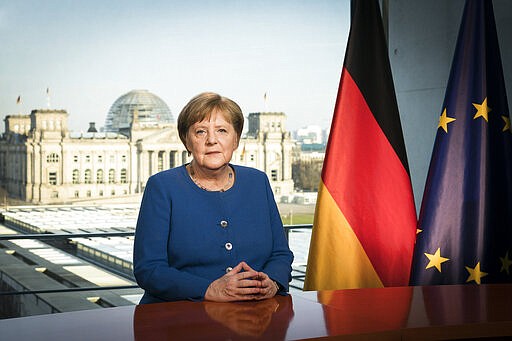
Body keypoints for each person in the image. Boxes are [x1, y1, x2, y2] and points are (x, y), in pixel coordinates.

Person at [133, 92, 294, 303]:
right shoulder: (162, 186)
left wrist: (272, 282)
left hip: (256, 317)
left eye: (222, 131)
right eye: (200, 132)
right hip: (180, 318)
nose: (212, 140)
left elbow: (281, 254)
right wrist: (208, 289)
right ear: (187, 141)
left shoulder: (258, 182)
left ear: (235, 140)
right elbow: (149, 269)